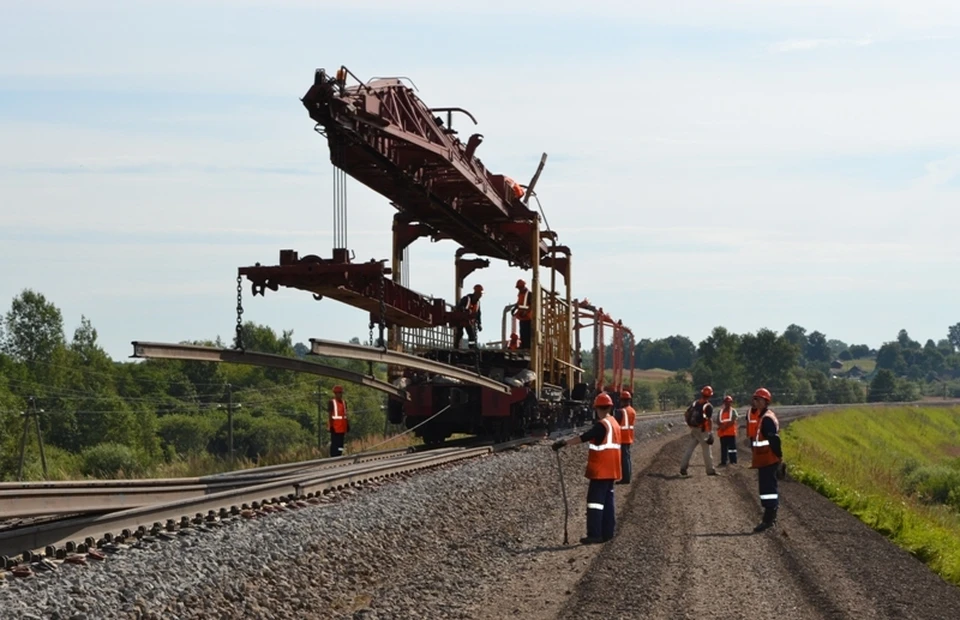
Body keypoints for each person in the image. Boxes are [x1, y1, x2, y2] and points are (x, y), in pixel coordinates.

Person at [552, 392, 622, 544]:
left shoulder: (602, 425)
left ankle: (595, 534)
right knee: (608, 502)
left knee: (595, 502)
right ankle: (607, 533)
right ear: (610, 407)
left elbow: (585, 437)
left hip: (600, 471)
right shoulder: (614, 423)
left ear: (597, 408)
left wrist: (564, 443)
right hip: (613, 470)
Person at [750, 387, 783, 532]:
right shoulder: (762, 416)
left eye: (758, 399)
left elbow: (774, 440)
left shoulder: (767, 418)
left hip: (768, 459)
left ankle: (769, 519)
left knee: (768, 490)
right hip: (764, 459)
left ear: (765, 402)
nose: (755, 402)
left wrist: (779, 457)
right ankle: (769, 518)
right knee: (766, 489)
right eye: (755, 399)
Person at [680, 385, 717, 476]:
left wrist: (690, 425)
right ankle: (710, 470)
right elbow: (709, 420)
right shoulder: (708, 406)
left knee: (689, 448)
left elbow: (686, 414)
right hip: (702, 430)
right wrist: (710, 433)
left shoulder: (695, 403)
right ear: (710, 395)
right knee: (706, 450)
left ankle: (683, 467)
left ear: (701, 393)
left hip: (694, 429)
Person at [614, 390, 636, 484]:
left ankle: (625, 478)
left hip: (621, 437)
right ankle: (627, 477)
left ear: (622, 400)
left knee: (624, 459)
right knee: (627, 458)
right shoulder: (632, 411)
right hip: (629, 437)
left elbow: (615, 424)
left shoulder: (621, 411)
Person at [453, 284, 483, 349]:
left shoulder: (477, 303)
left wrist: (479, 324)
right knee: (460, 333)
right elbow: (459, 307)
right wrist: (462, 309)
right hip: (461, 319)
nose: (481, 295)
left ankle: (471, 347)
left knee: (471, 335)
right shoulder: (467, 299)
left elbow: (478, 314)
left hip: (468, 320)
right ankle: (456, 346)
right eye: (480, 293)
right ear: (476, 293)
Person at [716, 395, 739, 466]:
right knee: (723, 449)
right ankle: (724, 461)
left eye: (729, 402)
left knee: (732, 448)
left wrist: (724, 427)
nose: (728, 403)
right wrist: (721, 426)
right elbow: (717, 420)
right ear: (724, 403)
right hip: (723, 434)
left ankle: (733, 461)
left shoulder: (733, 411)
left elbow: (733, 420)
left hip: (731, 433)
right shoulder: (720, 411)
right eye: (726, 402)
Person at [328, 385, 349, 457]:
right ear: (335, 394)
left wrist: (347, 425)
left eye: (341, 393)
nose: (340, 395)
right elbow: (330, 415)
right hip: (335, 428)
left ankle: (339, 455)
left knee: (341, 444)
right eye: (339, 393)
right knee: (335, 444)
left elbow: (345, 415)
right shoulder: (332, 402)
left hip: (342, 428)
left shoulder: (344, 402)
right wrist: (331, 426)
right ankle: (333, 456)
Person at [511, 279, 532, 349]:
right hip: (522, 317)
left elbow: (532, 305)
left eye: (519, 287)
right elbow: (519, 302)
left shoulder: (529, 294)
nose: (519, 289)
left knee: (527, 332)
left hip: (528, 317)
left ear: (523, 286)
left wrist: (526, 312)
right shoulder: (520, 293)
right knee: (522, 332)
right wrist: (514, 308)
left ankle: (527, 346)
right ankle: (523, 345)